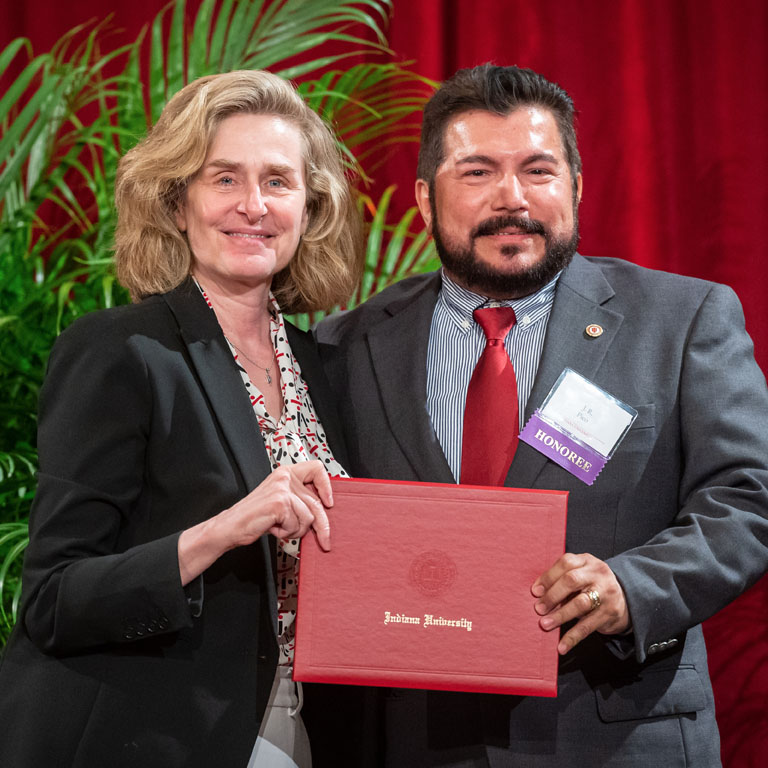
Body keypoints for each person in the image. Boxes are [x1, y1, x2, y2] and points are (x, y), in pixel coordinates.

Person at [313, 64, 768, 767]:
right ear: (426, 201)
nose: (512, 198)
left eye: (537, 169)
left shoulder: (682, 322)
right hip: (418, 742)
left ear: (576, 188)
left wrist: (634, 587)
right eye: (477, 173)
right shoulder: (350, 344)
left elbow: (748, 498)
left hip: (621, 735)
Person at [0, 69, 361, 768]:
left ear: (310, 210)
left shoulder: (327, 364)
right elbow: (51, 598)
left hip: (297, 719)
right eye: (224, 179)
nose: (253, 205)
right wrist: (225, 530)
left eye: (279, 182)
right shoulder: (121, 350)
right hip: (145, 732)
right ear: (176, 204)